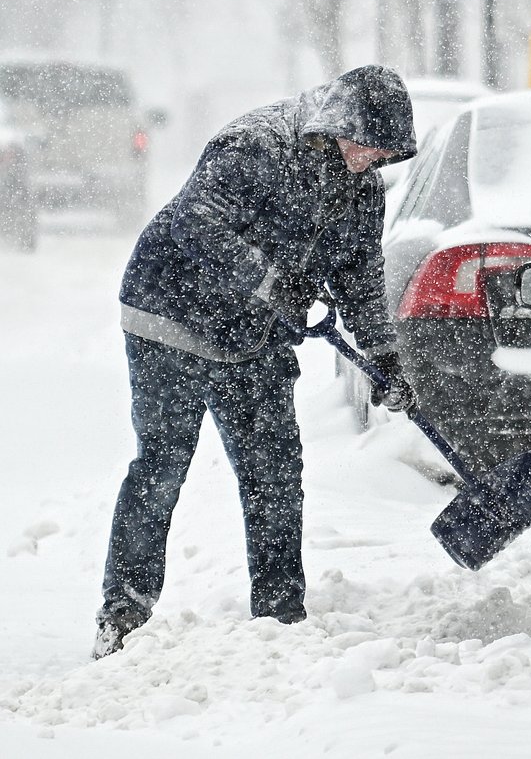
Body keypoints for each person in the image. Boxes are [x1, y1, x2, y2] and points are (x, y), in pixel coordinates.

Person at [94, 66, 419, 658]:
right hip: (171, 316)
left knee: (274, 470)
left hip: (251, 335)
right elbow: (198, 224)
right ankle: (123, 613)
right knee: (163, 465)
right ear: (335, 124)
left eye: (382, 150)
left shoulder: (363, 189)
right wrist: (270, 284)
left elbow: (360, 279)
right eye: (364, 142)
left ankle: (280, 616)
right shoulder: (256, 145)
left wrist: (384, 356)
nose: (371, 158)